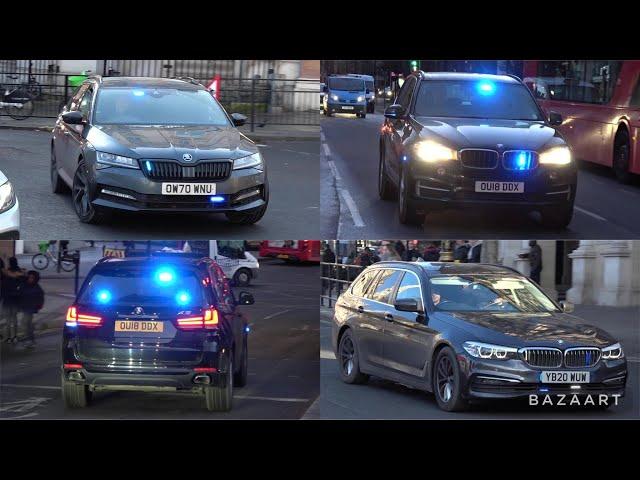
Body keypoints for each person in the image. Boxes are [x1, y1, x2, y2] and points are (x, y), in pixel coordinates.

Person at [1, 257, 26, 343]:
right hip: (15, 300)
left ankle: (8, 338)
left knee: (8, 321)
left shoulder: (6, 273)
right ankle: (14, 336)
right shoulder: (20, 273)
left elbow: (3, 286)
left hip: (7, 300)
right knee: (14, 319)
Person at [17, 271, 44, 348]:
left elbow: (40, 299)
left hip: (30, 308)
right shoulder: (25, 285)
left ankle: (30, 339)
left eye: (32, 278)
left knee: (26, 323)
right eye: (29, 277)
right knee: (25, 323)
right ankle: (28, 337)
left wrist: (38, 306)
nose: (30, 279)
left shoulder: (37, 288)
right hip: (26, 307)